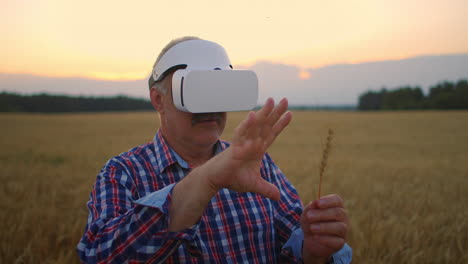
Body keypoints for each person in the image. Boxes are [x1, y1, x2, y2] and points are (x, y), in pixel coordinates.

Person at [77, 36, 352, 263]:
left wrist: (313, 250)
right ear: (158, 100)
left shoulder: (257, 163)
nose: (210, 107)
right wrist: (206, 181)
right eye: (196, 91)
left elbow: (294, 239)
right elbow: (99, 256)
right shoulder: (123, 173)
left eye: (219, 90)